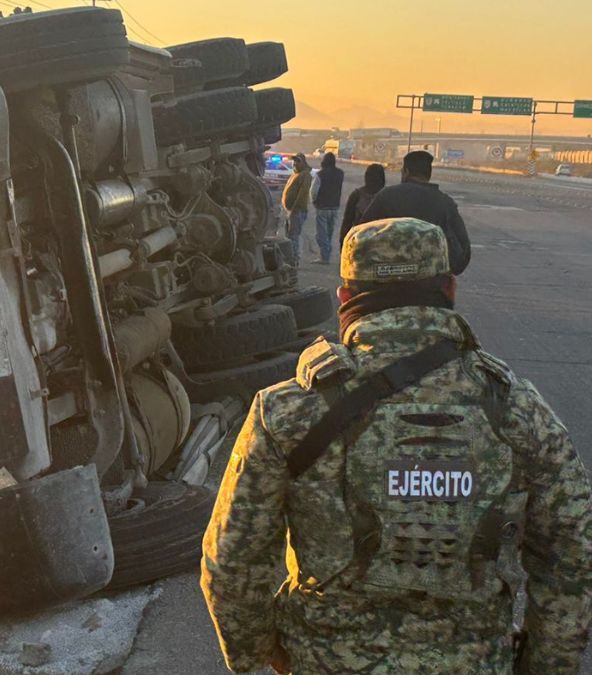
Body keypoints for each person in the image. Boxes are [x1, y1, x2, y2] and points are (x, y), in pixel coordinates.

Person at [201, 218, 592, 674]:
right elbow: (572, 554)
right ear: (449, 289)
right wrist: (545, 664)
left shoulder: (287, 410)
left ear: (344, 297)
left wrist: (258, 652)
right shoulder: (517, 408)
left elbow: (232, 559)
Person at [360, 150, 471, 274]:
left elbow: (361, 235)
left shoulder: (386, 196)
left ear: (406, 172)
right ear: (429, 174)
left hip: (387, 278)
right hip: (431, 280)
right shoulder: (445, 203)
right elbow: (463, 253)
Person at [339, 163, 386, 247]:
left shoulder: (356, 195)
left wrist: (343, 244)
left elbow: (346, 224)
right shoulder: (387, 195)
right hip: (377, 243)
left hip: (360, 242)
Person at [310, 152, 344, 264]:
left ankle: (324, 257)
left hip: (322, 207)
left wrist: (314, 201)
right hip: (334, 206)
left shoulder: (320, 174)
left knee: (322, 234)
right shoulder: (340, 174)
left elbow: (313, 191)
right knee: (330, 232)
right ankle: (327, 254)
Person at [281, 153, 312, 266]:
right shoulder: (296, 174)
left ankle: (294, 259)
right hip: (291, 211)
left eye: (297, 161)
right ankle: (290, 258)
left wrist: (294, 210)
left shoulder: (305, 175)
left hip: (297, 211)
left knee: (294, 236)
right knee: (289, 236)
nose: (295, 163)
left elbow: (302, 195)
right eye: (294, 161)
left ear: (303, 162)